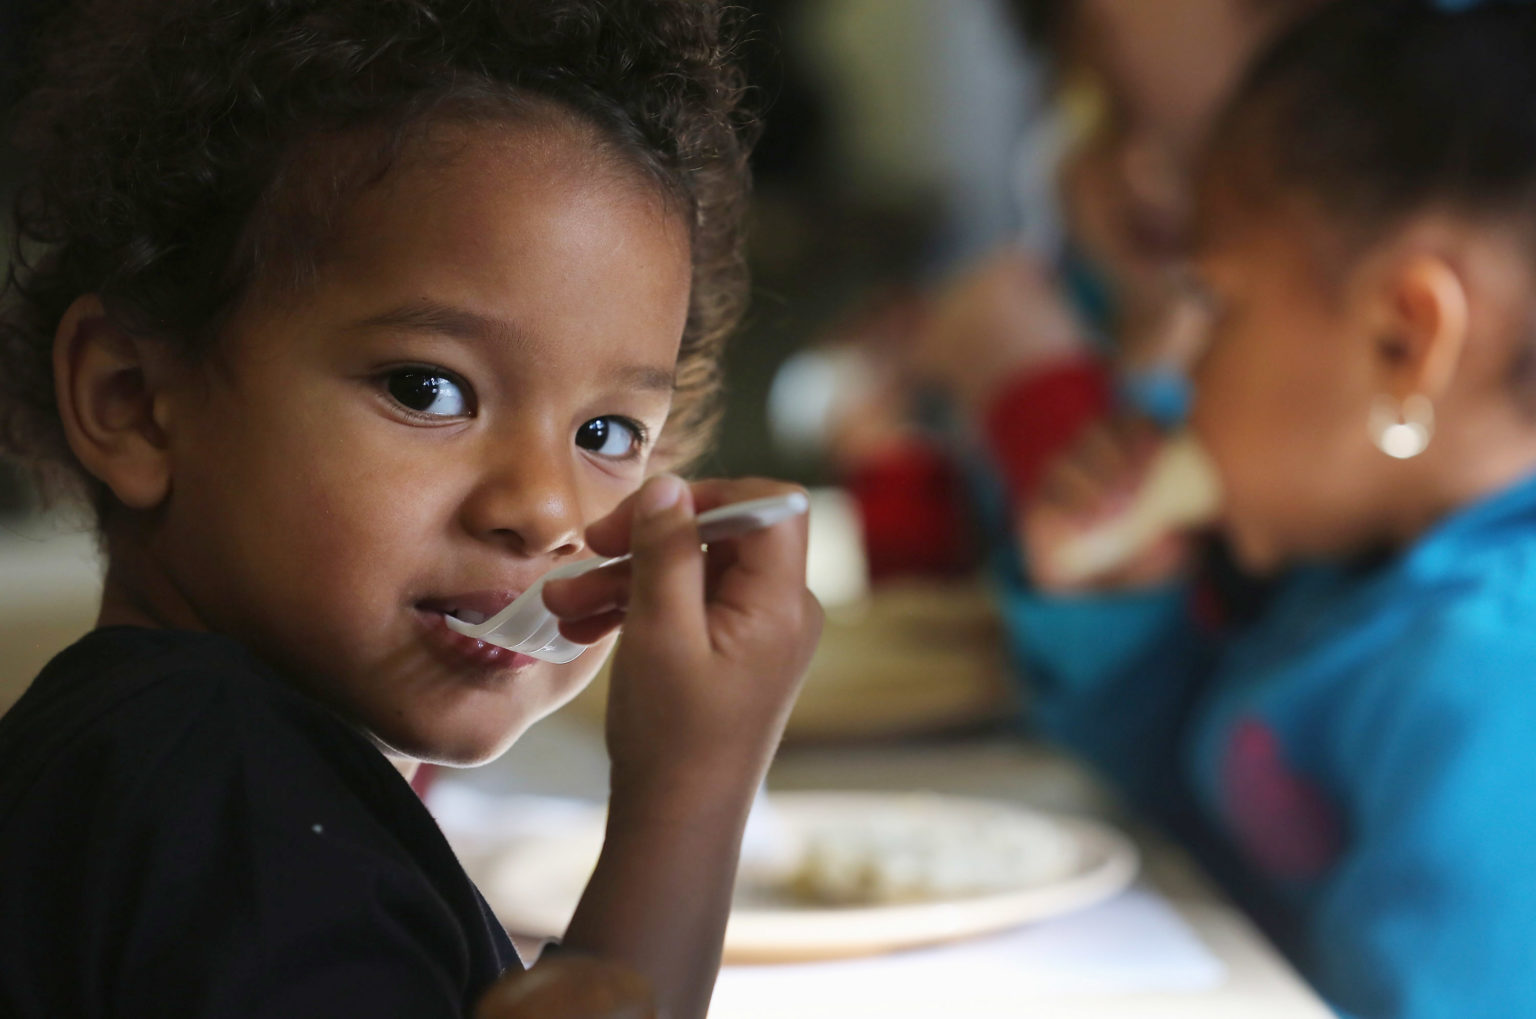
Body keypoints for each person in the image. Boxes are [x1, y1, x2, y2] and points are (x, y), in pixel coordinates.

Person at [0, 2, 822, 1017]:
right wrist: (690, 792)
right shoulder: (219, 793)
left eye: (607, 433)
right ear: (132, 401)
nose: (544, 510)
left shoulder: (180, 765)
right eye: (428, 390)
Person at [1014, 1, 1536, 1015]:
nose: (1181, 376)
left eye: (1216, 306)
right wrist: (1120, 616)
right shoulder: (1355, 581)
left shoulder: (1497, 684)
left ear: (1404, 340)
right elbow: (1194, 843)